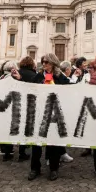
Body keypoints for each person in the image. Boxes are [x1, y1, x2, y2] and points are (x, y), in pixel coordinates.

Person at [27, 53, 69, 181]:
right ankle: (35, 168)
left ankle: (54, 168)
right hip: (40, 113)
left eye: (47, 62)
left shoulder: (60, 77)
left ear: (53, 63)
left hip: (55, 115)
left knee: (53, 143)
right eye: (43, 62)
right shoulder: (38, 77)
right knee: (37, 144)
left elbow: (69, 90)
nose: (44, 64)